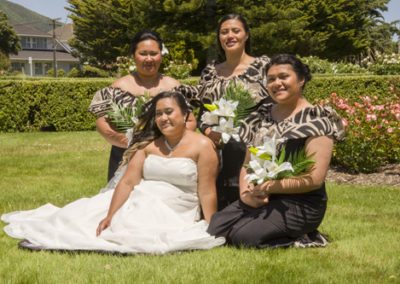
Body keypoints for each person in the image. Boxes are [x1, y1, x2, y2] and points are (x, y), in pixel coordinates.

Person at [2, 91, 225, 254]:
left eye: (169, 112)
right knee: (86, 214)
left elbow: (206, 190)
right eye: (159, 114)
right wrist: (109, 214)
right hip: (140, 196)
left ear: (185, 114)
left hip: (174, 208)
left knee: (133, 226)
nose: (164, 118)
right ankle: (53, 234)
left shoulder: (202, 146)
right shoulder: (149, 146)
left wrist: (210, 223)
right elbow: (127, 183)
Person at [207, 54, 345, 248]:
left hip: (300, 203)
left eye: (283, 77)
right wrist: (246, 194)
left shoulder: (317, 119)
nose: (276, 83)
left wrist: (271, 187)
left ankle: (306, 237)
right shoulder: (261, 116)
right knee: (215, 229)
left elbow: (314, 179)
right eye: (271, 79)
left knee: (243, 237)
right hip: (262, 195)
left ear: (301, 79)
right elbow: (247, 163)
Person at [179, 14, 274, 210]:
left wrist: (243, 132)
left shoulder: (264, 67)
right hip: (216, 144)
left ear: (246, 35)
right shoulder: (210, 72)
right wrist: (209, 133)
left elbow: (272, 107)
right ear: (219, 38)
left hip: (253, 143)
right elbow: (203, 113)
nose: (230, 36)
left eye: (235, 31)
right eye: (224, 32)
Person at [89, 30, 196, 182]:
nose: (148, 58)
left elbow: (190, 121)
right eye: (143, 53)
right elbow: (101, 123)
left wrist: (167, 142)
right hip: (125, 156)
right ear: (134, 56)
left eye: (153, 53)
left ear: (161, 55)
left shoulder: (174, 86)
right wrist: (128, 142)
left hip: (165, 157)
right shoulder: (118, 87)